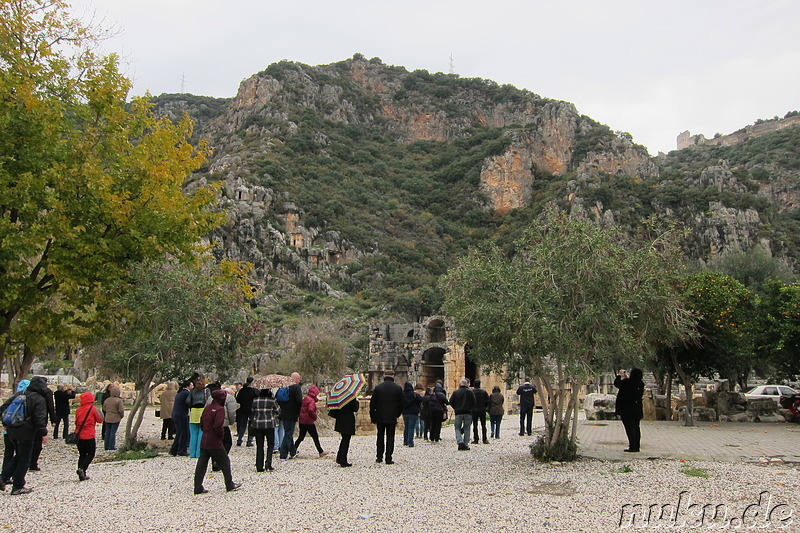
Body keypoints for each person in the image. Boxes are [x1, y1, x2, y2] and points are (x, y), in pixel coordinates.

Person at [0, 376, 49, 495]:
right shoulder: (39, 399)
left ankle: (3, 478)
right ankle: (18, 485)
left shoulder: (19, 394)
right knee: (24, 459)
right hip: (26, 432)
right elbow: (39, 418)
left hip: (12, 430)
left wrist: (6, 422)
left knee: (18, 456)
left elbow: (3, 408)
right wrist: (43, 433)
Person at [193, 389, 241, 494]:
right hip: (215, 441)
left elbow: (201, 422)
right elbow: (218, 425)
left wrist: (205, 431)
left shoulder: (207, 407)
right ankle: (229, 484)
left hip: (205, 439)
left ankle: (197, 486)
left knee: (202, 464)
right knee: (225, 462)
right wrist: (220, 435)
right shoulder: (219, 409)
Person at [0, 380, 29, 493]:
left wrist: (5, 424)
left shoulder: (13, 397)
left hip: (7, 431)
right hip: (19, 431)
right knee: (19, 455)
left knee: (8, 453)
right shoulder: (25, 399)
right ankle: (7, 476)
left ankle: (5, 475)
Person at [369, 370, 403, 464]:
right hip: (392, 417)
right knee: (390, 437)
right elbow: (401, 404)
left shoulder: (378, 388)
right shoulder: (398, 389)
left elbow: (372, 404)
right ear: (393, 376)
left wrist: (373, 416)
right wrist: (397, 414)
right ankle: (388, 458)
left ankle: (379, 457)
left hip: (380, 416)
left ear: (384, 376)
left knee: (380, 436)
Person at [73, 391, 104, 481]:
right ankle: (83, 469)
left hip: (79, 435)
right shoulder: (93, 409)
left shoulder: (78, 409)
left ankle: (81, 471)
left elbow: (76, 422)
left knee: (82, 454)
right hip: (89, 435)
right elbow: (100, 420)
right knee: (91, 454)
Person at [614, 368, 645, 452]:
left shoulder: (626, 382)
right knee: (636, 428)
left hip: (627, 409)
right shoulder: (641, 384)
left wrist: (619, 376)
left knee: (629, 428)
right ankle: (637, 446)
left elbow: (617, 384)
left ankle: (632, 447)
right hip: (637, 409)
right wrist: (627, 378)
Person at [249, 388, 280, 471]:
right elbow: (278, 411)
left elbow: (252, 411)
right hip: (269, 424)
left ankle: (259, 465)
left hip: (258, 425)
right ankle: (268, 462)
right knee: (270, 444)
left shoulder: (255, 400)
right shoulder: (272, 400)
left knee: (260, 446)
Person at [29, 376, 55, 471]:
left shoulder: (26, 393)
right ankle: (32, 463)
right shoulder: (46, 393)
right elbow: (50, 407)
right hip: (40, 421)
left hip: (25, 423)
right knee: (37, 444)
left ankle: (28, 462)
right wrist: (53, 419)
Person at [294, 385, 327, 457]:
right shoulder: (311, 401)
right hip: (309, 422)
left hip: (302, 421)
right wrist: (315, 416)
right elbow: (311, 410)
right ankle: (320, 451)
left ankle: (293, 449)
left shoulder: (305, 398)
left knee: (301, 437)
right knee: (315, 437)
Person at [277, 372, 303, 459]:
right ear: (295, 379)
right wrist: (298, 411)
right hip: (292, 413)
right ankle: (283, 453)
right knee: (288, 433)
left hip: (283, 413)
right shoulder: (296, 387)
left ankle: (293, 452)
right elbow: (299, 401)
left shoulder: (284, 386)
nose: (300, 380)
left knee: (288, 432)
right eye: (299, 378)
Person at [331, 396, 359, 467]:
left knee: (344, 439)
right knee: (346, 440)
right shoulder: (351, 396)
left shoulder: (339, 396)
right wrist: (357, 402)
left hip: (340, 419)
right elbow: (355, 408)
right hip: (348, 420)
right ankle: (343, 460)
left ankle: (339, 457)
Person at [186, 377, 210, 459]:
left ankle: (192, 453)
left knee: (193, 434)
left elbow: (187, 401)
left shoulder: (192, 391)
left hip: (193, 411)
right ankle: (199, 453)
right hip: (202, 411)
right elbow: (209, 401)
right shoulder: (206, 391)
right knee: (201, 433)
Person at [450, 378, 476, 450]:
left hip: (458, 412)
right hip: (468, 412)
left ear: (460, 384)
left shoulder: (456, 392)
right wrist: (470, 408)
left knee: (457, 428)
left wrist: (456, 407)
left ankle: (460, 441)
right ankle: (465, 444)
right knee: (467, 428)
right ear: (466, 384)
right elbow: (474, 402)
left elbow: (451, 402)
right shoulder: (470, 392)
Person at [169, 379, 193, 457]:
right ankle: (181, 450)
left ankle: (174, 450)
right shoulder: (186, 393)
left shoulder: (181, 393)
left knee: (179, 432)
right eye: (192, 385)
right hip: (182, 415)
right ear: (188, 386)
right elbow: (189, 403)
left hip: (176, 414)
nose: (193, 386)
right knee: (183, 433)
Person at [235, 376, 257, 447]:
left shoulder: (242, 390)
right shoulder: (254, 390)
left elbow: (238, 400)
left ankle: (240, 439)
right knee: (251, 426)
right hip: (252, 410)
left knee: (243, 425)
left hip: (243, 410)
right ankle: (249, 441)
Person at [102, 386, 125, 451]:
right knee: (113, 432)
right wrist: (121, 416)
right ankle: (111, 446)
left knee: (107, 432)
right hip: (116, 418)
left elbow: (104, 408)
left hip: (107, 417)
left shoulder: (107, 400)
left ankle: (106, 446)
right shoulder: (119, 401)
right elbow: (121, 410)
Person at [401, 381, 423, 447]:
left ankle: (405, 441)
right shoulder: (414, 394)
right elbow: (421, 400)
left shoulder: (402, 394)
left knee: (406, 427)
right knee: (411, 428)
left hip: (405, 413)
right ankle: (410, 442)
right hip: (413, 413)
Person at [471, 379, 489, 444]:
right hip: (482, 409)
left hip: (474, 410)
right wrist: (485, 407)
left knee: (475, 425)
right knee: (483, 425)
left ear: (474, 384)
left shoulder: (471, 392)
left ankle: (476, 439)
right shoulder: (484, 392)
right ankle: (484, 439)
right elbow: (488, 401)